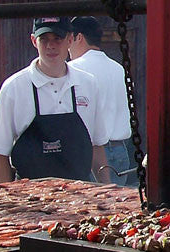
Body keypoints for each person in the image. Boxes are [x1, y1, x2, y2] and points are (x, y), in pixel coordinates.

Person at [0, 17, 111, 184]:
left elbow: (97, 146)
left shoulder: (88, 84)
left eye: (57, 39)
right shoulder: (13, 88)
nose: (50, 46)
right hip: (29, 198)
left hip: (81, 196)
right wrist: (6, 199)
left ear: (69, 40)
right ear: (33, 41)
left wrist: (107, 190)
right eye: (44, 39)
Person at [67, 16, 134, 186]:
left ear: (79, 37)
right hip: (120, 151)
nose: (67, 48)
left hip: (89, 152)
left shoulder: (72, 70)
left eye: (69, 40)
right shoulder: (119, 69)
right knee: (118, 208)